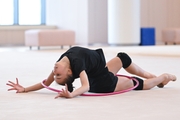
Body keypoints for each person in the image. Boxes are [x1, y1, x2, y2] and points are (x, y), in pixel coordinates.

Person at [6, 46, 176, 99]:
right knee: (138, 84)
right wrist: (71, 95)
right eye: (59, 75)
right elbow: (86, 86)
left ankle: (151, 75)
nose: (54, 72)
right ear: (71, 70)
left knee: (122, 57)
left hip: (99, 71)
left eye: (56, 74)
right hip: (104, 84)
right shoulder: (77, 64)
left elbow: (46, 82)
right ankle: (164, 77)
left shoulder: (62, 60)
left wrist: (25, 89)